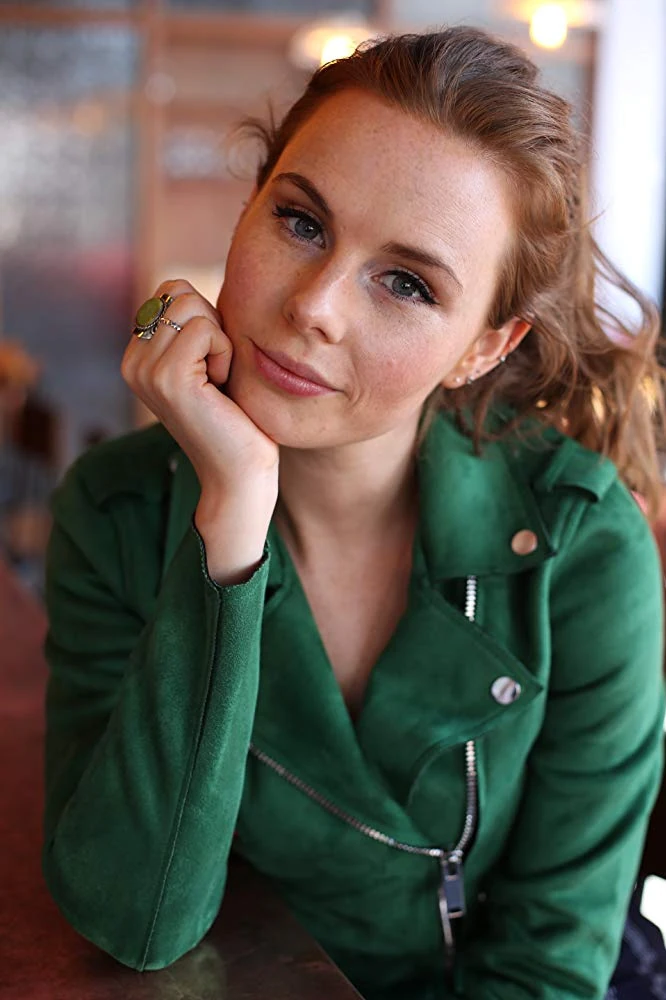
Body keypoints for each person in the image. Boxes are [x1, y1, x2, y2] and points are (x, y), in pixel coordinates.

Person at [42, 26, 665, 1000]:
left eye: (407, 283)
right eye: (300, 221)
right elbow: (135, 922)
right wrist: (230, 525)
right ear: (250, 204)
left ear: (486, 346)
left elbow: (550, 958)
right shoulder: (118, 509)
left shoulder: (579, 546)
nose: (316, 305)